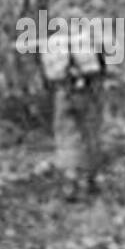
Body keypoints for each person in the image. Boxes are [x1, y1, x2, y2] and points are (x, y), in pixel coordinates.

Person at [40, 14, 105, 199]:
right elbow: (103, 66)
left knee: (66, 136)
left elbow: (49, 74)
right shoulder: (91, 38)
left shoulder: (51, 43)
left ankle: (70, 181)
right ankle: (89, 180)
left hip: (64, 92)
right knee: (90, 134)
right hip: (89, 92)